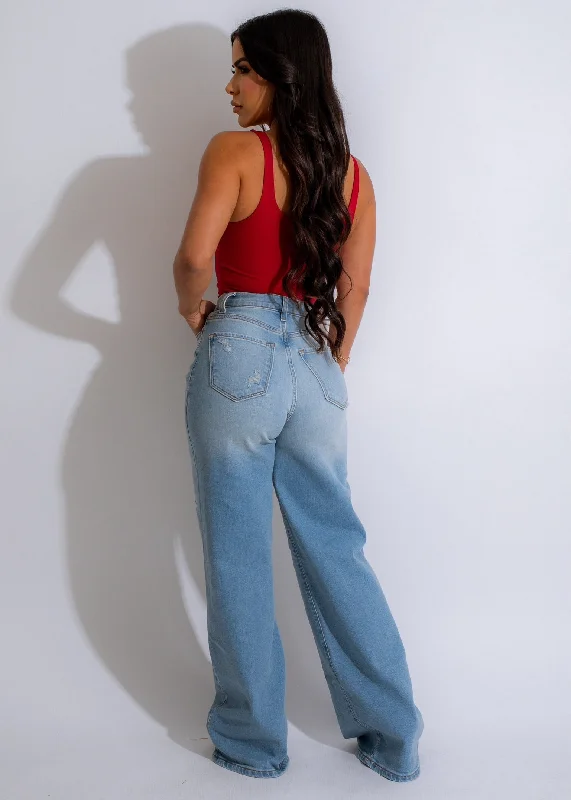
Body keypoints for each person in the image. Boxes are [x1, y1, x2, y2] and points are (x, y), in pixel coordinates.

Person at [172, 8, 424, 782]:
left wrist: (193, 309)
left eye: (243, 69)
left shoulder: (235, 153)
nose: (230, 84)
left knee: (239, 553)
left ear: (281, 76)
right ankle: (392, 738)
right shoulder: (352, 174)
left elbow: (192, 257)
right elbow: (356, 288)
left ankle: (253, 745)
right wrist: (332, 359)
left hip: (238, 346)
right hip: (315, 363)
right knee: (336, 549)